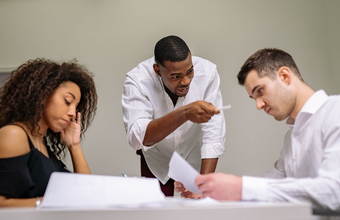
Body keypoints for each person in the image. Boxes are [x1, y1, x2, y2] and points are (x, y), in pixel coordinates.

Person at [193, 48, 340, 214]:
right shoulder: (290, 138)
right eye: (254, 98)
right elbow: (272, 189)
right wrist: (207, 188)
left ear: (284, 76)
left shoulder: (336, 112)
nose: (259, 105)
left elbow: (334, 192)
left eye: (260, 91)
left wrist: (241, 188)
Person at [122, 35, 226, 197]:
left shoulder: (208, 73)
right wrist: (184, 113)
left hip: (193, 153)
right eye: (176, 76)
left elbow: (213, 133)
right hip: (156, 160)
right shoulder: (138, 80)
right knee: (156, 212)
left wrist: (203, 186)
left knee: (196, 210)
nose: (186, 81)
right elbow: (137, 139)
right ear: (157, 70)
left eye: (190, 71)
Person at [0, 58, 98, 207]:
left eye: (76, 106)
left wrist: (74, 145)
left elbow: (85, 191)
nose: (72, 113)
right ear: (43, 95)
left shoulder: (43, 146)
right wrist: (48, 203)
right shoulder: (14, 135)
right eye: (67, 101)